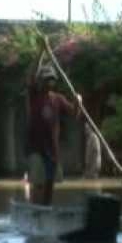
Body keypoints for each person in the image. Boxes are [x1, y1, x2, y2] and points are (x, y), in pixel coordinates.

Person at [26, 36, 82, 206]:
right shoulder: (34, 95)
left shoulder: (58, 99)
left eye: (51, 79)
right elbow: (31, 75)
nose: (49, 82)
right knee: (38, 183)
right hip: (36, 148)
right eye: (46, 79)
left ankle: (46, 210)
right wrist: (42, 51)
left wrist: (79, 102)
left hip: (52, 151)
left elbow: (75, 114)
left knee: (50, 185)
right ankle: (36, 211)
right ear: (41, 81)